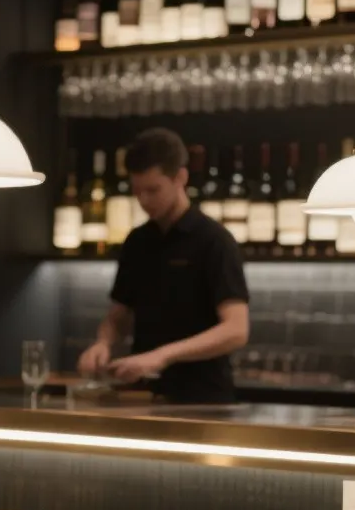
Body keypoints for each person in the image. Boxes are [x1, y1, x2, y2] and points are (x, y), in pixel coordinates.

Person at [78, 128, 250, 403]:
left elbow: (236, 330)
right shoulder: (137, 241)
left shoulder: (214, 240)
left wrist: (161, 356)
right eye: (137, 191)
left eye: (153, 190)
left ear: (180, 177)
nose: (144, 200)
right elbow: (118, 314)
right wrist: (103, 343)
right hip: (144, 397)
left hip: (203, 400)